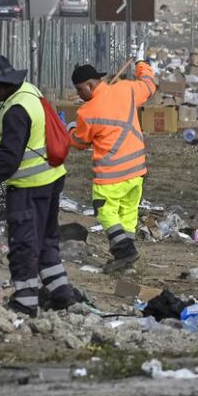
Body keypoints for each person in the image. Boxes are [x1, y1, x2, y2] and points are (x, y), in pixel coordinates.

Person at [0, 55, 75, 317]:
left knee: (23, 243)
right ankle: (61, 294)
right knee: (46, 240)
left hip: (29, 186)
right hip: (52, 178)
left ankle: (25, 301)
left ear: (3, 84)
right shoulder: (28, 92)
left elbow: (9, 160)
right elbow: (22, 134)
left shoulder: (15, 110)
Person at [67, 59, 156, 273]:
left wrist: (70, 129)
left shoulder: (86, 112)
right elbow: (149, 84)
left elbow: (79, 143)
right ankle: (126, 258)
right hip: (137, 169)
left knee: (106, 212)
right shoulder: (127, 89)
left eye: (80, 89)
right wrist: (142, 65)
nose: (79, 94)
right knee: (127, 213)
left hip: (110, 174)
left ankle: (125, 251)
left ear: (90, 85)